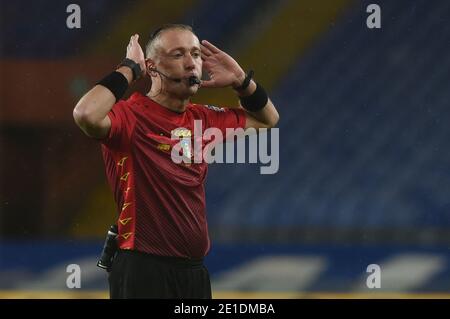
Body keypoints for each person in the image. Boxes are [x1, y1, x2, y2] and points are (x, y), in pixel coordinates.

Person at [73, 24, 279, 299]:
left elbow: (268, 119)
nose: (191, 62)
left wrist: (242, 81)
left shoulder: (203, 119)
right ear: (152, 67)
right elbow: (86, 113)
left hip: (193, 273)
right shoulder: (130, 117)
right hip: (143, 270)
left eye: (195, 54)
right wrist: (129, 68)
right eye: (178, 54)